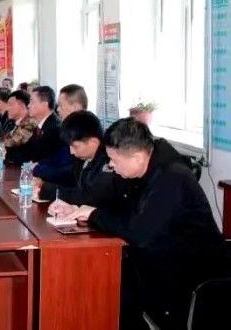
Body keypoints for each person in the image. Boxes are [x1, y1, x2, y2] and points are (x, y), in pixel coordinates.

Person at [62, 118, 231, 330]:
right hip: (158, 263)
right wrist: (79, 209)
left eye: (113, 160)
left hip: (190, 277)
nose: (111, 165)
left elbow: (140, 234)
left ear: (137, 157)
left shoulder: (171, 179)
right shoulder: (139, 170)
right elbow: (112, 202)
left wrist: (94, 214)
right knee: (103, 280)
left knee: (110, 287)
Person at [34, 111, 116, 206]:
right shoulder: (84, 158)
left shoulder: (109, 162)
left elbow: (89, 197)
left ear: (93, 142)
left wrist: (46, 189)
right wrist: (41, 176)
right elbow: (68, 175)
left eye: (75, 146)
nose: (71, 152)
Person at [32, 84, 88, 182]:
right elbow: (58, 158)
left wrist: (39, 170)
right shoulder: (67, 128)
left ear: (75, 107)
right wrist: (39, 166)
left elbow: (71, 172)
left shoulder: (85, 131)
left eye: (61, 105)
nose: (57, 109)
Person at [0, 90, 37, 164]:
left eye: (10, 105)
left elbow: (11, 142)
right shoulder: (17, 122)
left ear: (23, 106)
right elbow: (4, 139)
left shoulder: (30, 123)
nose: (7, 108)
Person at [28, 86, 62, 163]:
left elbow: (40, 158)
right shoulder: (40, 125)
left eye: (32, 102)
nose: (28, 105)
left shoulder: (54, 129)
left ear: (44, 104)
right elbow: (27, 151)